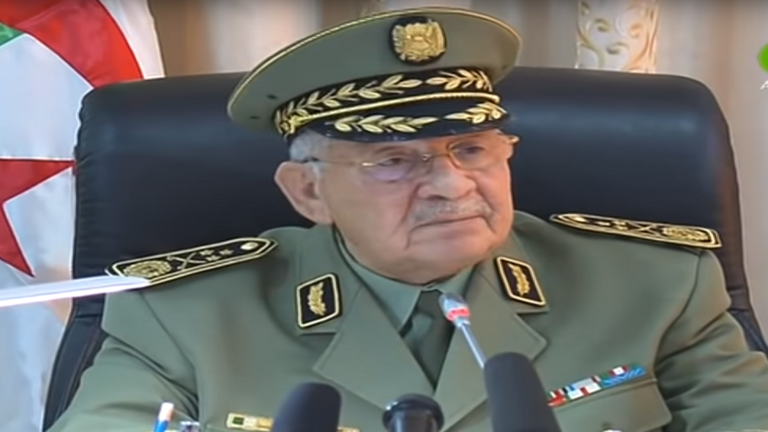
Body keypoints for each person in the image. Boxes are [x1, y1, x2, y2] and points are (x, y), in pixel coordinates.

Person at [48, 7, 768, 432]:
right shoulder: (184, 313)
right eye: (394, 161)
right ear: (308, 192)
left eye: (472, 149)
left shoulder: (655, 284)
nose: (452, 184)